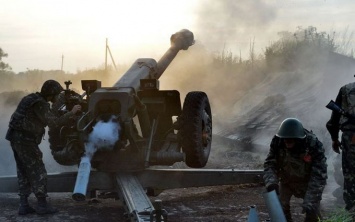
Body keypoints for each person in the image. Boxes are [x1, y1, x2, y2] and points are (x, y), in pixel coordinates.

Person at [5, 80, 81, 215]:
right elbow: (54, 123)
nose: (58, 97)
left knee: (23, 170)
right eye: (57, 94)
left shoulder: (30, 98)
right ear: (51, 94)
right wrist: (72, 113)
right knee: (38, 170)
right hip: (26, 141)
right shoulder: (40, 104)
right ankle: (42, 204)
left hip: (15, 138)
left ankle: (24, 205)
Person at [263, 118, 327, 222]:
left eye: (290, 140)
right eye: (285, 139)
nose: (287, 142)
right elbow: (270, 164)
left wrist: (311, 199)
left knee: (312, 212)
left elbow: (319, 176)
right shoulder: (278, 141)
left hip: (308, 183)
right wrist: (271, 183)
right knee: (279, 207)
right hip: (286, 181)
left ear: (298, 139)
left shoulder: (313, 145)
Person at [326, 82, 355, 211]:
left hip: (350, 137)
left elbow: (334, 120)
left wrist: (334, 139)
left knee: (350, 174)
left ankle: (352, 207)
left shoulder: (345, 89)